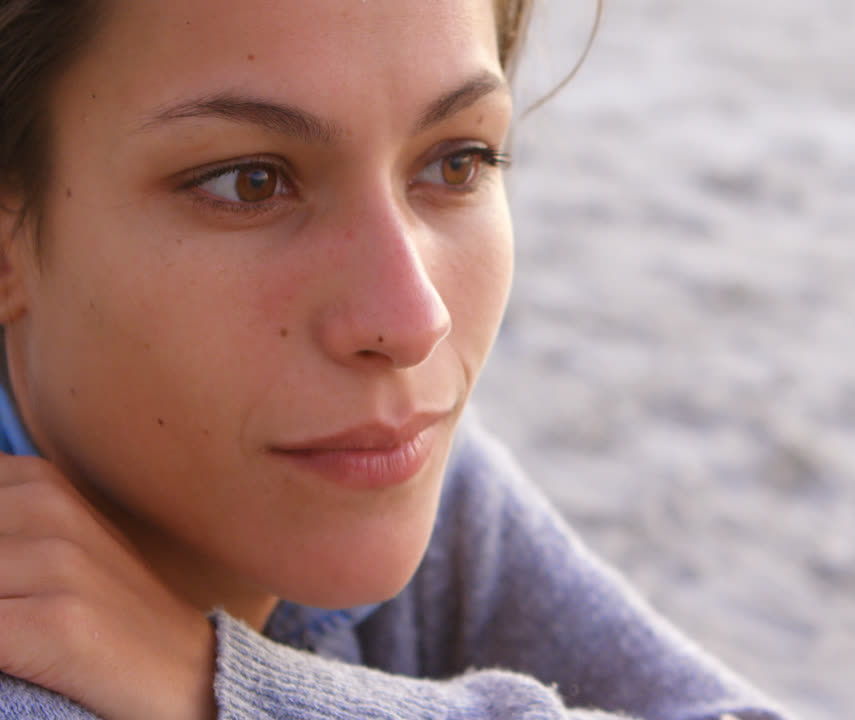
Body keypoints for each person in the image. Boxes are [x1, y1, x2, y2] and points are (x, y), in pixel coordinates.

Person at [0, 1, 790, 718]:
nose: (413, 321)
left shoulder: (379, 453)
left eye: (458, 162)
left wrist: (223, 687)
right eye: (250, 183)